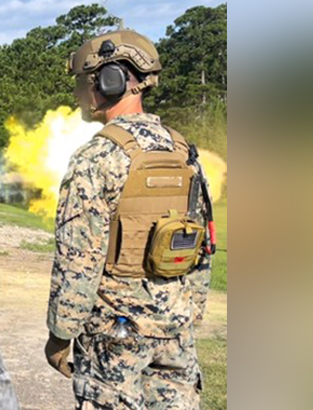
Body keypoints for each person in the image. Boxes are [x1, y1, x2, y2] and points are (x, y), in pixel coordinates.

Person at [44, 29, 214, 409]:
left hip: (113, 337)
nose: (77, 94)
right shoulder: (184, 151)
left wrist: (60, 335)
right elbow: (203, 245)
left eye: (81, 82)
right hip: (176, 330)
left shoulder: (95, 158)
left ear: (108, 81)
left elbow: (78, 262)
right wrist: (189, 314)